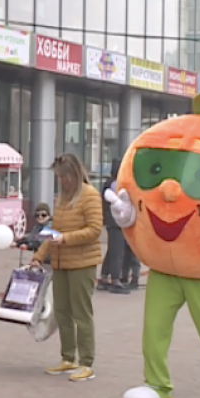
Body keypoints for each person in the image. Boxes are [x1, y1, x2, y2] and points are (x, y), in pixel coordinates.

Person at [31, 152, 103, 382]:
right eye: (58, 177)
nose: (61, 181)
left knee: (81, 313)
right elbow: (53, 232)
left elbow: (94, 229)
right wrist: (39, 257)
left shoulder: (90, 196)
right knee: (62, 312)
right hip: (61, 263)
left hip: (82, 263)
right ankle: (68, 357)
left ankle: (86, 362)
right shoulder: (60, 198)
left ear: (73, 174)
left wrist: (66, 239)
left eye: (63, 177)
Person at [100, 158, 131, 295]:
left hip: (112, 222)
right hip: (116, 222)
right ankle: (115, 280)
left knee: (113, 250)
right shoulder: (114, 184)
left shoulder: (109, 183)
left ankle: (104, 277)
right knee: (117, 252)